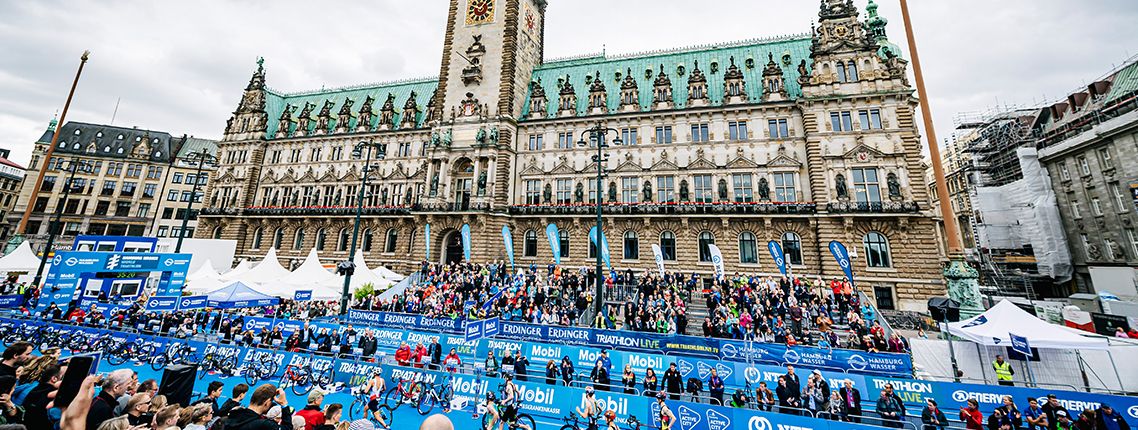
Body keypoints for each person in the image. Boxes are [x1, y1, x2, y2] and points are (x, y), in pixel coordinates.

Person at [223, 384, 293, 430]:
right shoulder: (263, 425)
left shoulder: (234, 414)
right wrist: (284, 404)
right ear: (267, 402)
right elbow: (287, 428)